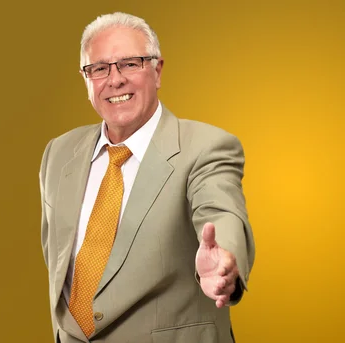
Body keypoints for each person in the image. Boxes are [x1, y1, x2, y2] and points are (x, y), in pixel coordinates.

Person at [39, 12, 255, 343]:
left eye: (130, 63)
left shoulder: (205, 147)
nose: (115, 80)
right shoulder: (58, 152)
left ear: (157, 70)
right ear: (86, 78)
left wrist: (225, 259)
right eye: (99, 68)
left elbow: (221, 211)